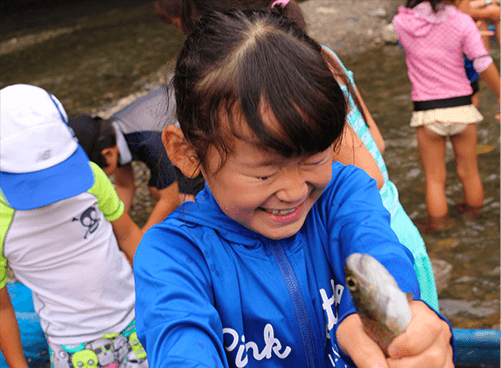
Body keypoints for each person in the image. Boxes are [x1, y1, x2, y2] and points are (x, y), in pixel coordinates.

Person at [133, 9, 454, 367]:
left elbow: (378, 254)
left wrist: (385, 320)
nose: (293, 191)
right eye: (264, 173)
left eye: (313, 159)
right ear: (187, 152)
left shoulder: (342, 196)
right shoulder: (174, 256)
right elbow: (181, 347)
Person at [0, 84, 147, 368]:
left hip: (135, 318)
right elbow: (2, 306)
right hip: (74, 346)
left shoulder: (89, 176)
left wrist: (159, 293)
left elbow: (129, 235)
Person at [393, 0, 501, 231]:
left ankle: (438, 227)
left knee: (435, 178)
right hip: (463, 109)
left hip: (428, 112)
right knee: (470, 173)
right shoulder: (462, 21)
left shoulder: (402, 22)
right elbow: (481, 61)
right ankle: (475, 217)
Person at [69, 86, 204, 233]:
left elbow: (169, 198)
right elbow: (124, 185)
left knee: (179, 197)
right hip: (181, 124)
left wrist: (139, 239)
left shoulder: (147, 142)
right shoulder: (111, 134)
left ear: (107, 153)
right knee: (158, 187)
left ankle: (204, 221)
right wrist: (115, 228)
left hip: (200, 123)